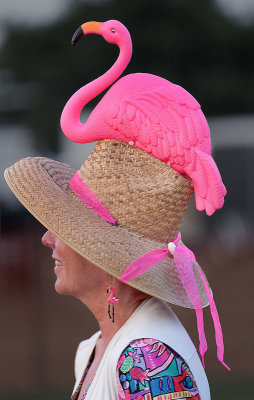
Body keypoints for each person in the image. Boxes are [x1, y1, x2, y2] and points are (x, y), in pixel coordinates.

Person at [4, 19, 229, 400]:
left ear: (106, 253)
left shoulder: (147, 360)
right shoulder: (94, 350)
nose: (45, 238)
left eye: (64, 226)